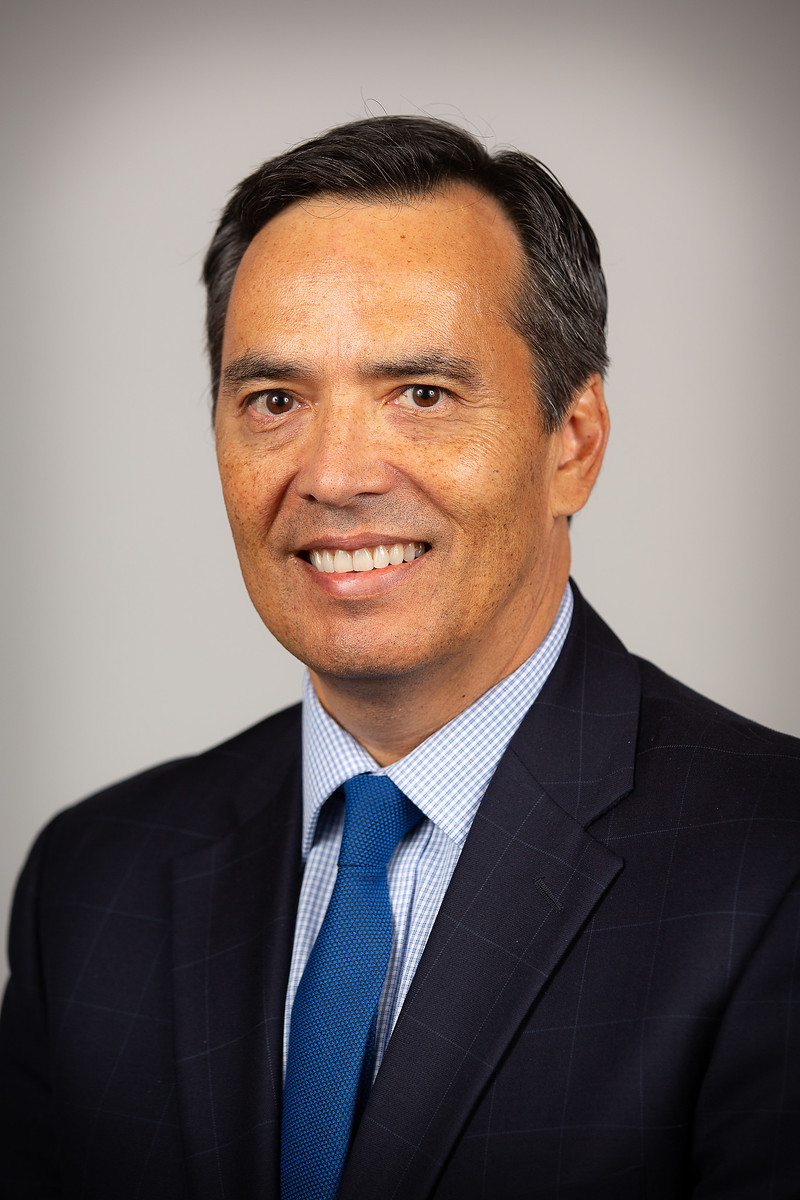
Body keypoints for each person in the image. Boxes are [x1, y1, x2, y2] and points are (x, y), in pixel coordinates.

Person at [1, 116, 798, 1200]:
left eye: (421, 394)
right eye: (275, 401)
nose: (334, 476)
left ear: (572, 442)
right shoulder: (92, 882)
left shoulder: (773, 865)